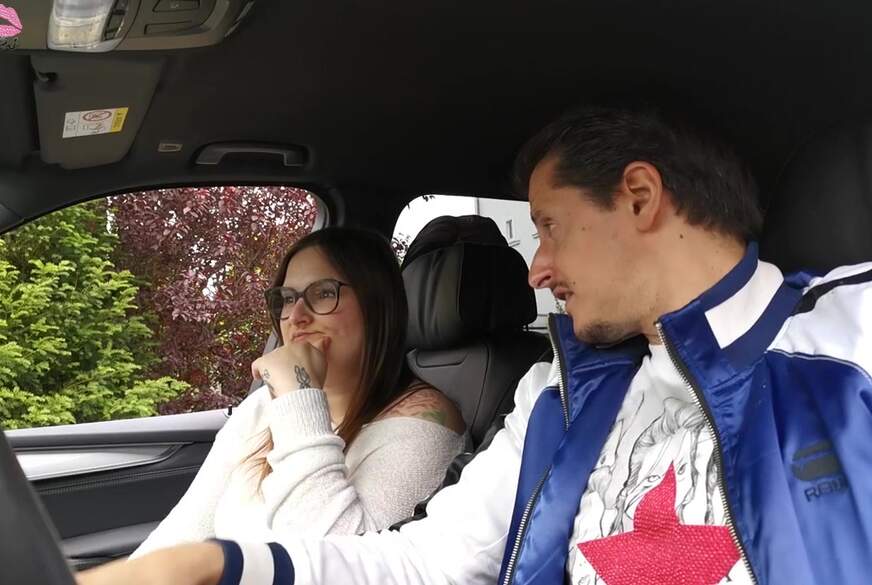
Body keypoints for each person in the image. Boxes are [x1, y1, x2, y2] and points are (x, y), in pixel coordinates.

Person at [78, 106, 872, 585]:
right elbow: (425, 564)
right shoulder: (560, 395)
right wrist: (218, 564)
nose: (537, 267)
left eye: (550, 226)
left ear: (639, 197)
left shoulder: (850, 334)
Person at [130, 227, 466, 558]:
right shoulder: (264, 405)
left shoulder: (426, 425)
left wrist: (297, 393)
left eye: (323, 293)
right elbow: (184, 531)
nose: (296, 316)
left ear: (377, 305)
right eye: (287, 299)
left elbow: (334, 565)